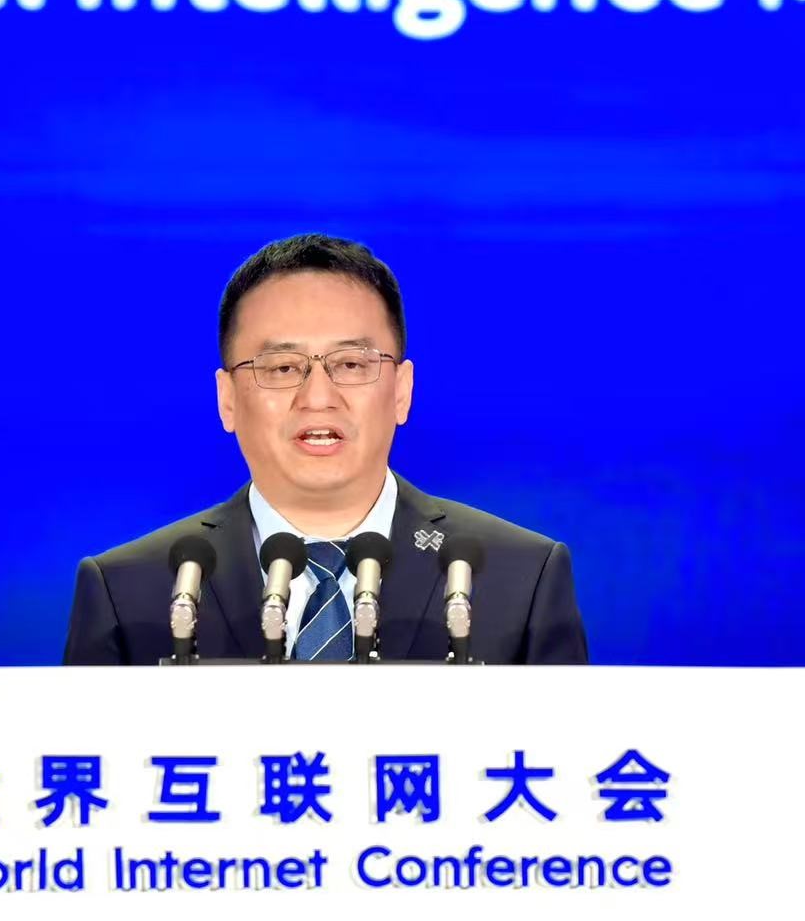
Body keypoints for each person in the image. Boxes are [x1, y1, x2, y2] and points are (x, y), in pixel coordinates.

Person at [63, 233, 587, 665]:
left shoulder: (521, 578)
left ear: (402, 391)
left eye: (352, 364)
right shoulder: (128, 590)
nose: (318, 397)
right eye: (281, 368)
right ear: (227, 400)